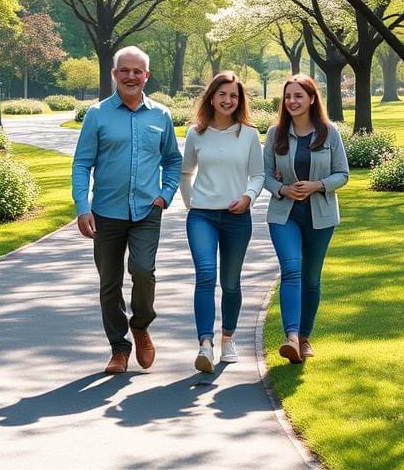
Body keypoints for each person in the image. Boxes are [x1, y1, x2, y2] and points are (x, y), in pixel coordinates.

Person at [72, 46, 182, 375]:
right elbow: (82, 163)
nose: (131, 76)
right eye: (125, 71)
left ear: (146, 75)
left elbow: (173, 160)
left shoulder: (160, 115)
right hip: (105, 213)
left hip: (147, 211)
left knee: (144, 271)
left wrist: (166, 194)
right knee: (109, 282)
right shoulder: (97, 115)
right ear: (114, 74)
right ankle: (119, 348)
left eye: (138, 71)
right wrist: (82, 206)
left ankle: (142, 325)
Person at [180, 72, 264, 374]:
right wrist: (192, 203)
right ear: (211, 97)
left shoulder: (249, 134)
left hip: (237, 218)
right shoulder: (196, 133)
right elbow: (185, 172)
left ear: (239, 100)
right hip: (202, 217)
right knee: (205, 275)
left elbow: (258, 175)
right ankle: (205, 344)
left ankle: (228, 337)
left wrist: (248, 197)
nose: (228, 100)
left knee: (230, 283)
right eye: (223, 94)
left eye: (234, 96)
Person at [263, 75, 349, 363]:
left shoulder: (328, 133)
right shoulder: (275, 134)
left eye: (298, 96)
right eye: (288, 96)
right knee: (291, 268)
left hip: (320, 216)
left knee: (311, 278)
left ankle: (304, 337)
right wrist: (282, 188)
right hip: (283, 214)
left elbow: (342, 174)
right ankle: (290, 336)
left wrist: (317, 185)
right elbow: (263, 175)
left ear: (312, 99)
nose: (292, 101)